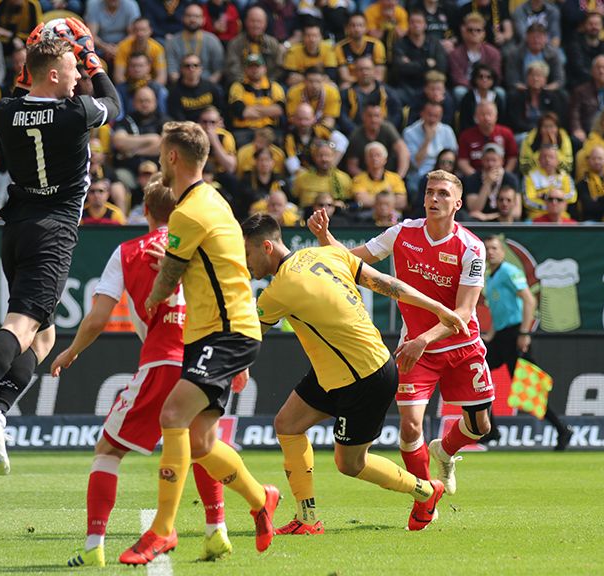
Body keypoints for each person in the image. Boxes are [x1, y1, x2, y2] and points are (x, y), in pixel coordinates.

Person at [0, 20, 121, 477]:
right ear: (54, 74)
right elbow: (113, 103)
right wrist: (94, 60)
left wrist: (38, 58)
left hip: (16, 227)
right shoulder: (75, 113)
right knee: (20, 326)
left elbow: (25, 90)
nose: (79, 76)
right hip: (53, 231)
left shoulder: (3, 112)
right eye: (72, 68)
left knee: (44, 336)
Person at [244, 213, 466, 535]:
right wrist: (438, 308)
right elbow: (387, 284)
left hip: (366, 377)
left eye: (247, 253)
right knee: (287, 425)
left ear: (266, 247)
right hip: (338, 371)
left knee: (350, 464)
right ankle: (307, 519)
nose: (246, 262)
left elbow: (249, 336)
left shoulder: (278, 291)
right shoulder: (327, 254)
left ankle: (426, 491)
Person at [51, 177, 231, 567]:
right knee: (202, 444)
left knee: (108, 450)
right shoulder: (202, 247)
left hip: (162, 361)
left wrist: (71, 351)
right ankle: (216, 528)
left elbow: (98, 318)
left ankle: (93, 545)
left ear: (145, 211)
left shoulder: (127, 251)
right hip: (206, 360)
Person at [120, 121, 277, 565]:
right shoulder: (212, 200)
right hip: (217, 330)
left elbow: (171, 274)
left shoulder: (188, 212)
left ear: (172, 157)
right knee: (202, 441)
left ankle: (162, 530)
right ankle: (260, 498)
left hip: (223, 332)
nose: (158, 161)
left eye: (160, 154)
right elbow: (201, 264)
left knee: (172, 414)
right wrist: (173, 263)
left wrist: (153, 297)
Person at [309, 169, 491, 512]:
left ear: (457, 204)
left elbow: (463, 313)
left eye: (443, 194)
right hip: (416, 350)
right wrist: (324, 236)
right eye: (430, 192)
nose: (434, 198)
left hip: (461, 345)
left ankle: (444, 451)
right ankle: (425, 500)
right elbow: (352, 261)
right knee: (409, 427)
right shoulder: (402, 233)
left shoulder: (471, 247)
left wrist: (423, 339)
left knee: (480, 426)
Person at [481, 235, 571, 449]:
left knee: (529, 389)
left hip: (515, 335)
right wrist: (491, 334)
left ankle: (562, 430)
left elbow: (529, 300)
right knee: (477, 376)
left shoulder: (509, 271)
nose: (490, 252)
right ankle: (491, 430)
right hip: (501, 337)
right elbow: (499, 310)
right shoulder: (490, 277)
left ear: (502, 252)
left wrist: (524, 333)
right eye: (487, 249)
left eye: (494, 248)